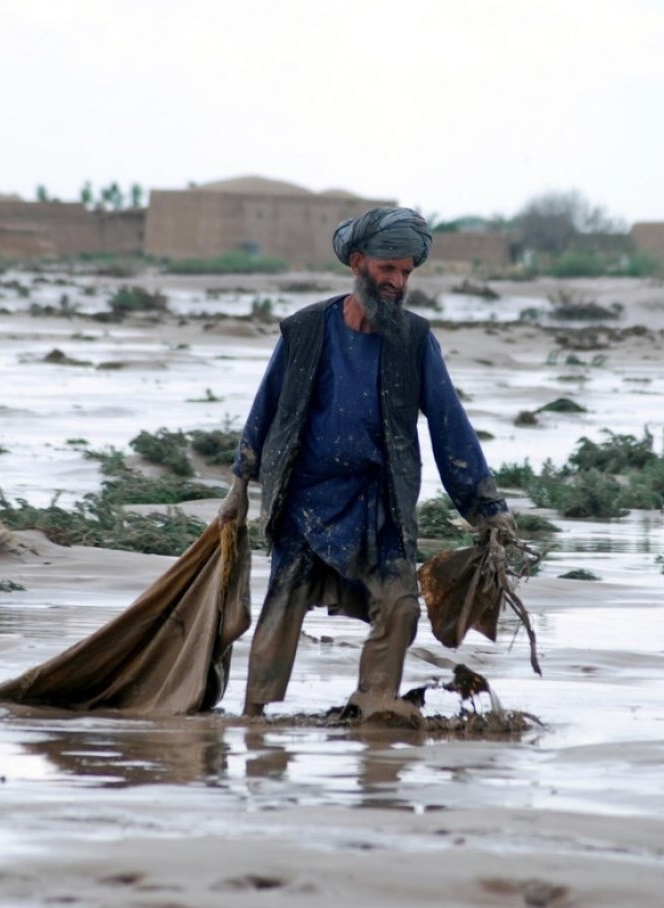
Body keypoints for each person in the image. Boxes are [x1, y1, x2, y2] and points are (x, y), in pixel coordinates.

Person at [218, 207, 516, 720]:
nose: (397, 282)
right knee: (281, 608)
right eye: (388, 270)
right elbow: (265, 408)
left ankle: (373, 705)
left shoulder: (414, 340)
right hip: (305, 502)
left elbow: (451, 426)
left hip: (379, 505)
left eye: (405, 272)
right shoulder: (306, 330)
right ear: (358, 263)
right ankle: (254, 720)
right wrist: (240, 483)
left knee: (400, 608)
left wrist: (487, 507)